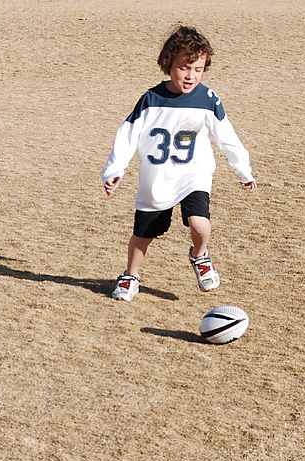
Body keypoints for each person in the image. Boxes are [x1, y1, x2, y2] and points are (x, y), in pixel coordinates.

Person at [101, 24, 257, 302]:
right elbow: (127, 133)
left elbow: (226, 135)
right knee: (143, 235)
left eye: (198, 69)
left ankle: (200, 256)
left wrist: (242, 169)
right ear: (168, 64)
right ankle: (131, 275)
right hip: (157, 178)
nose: (191, 76)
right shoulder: (151, 99)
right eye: (184, 68)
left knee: (200, 224)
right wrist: (115, 169)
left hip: (193, 174)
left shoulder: (208, 99)